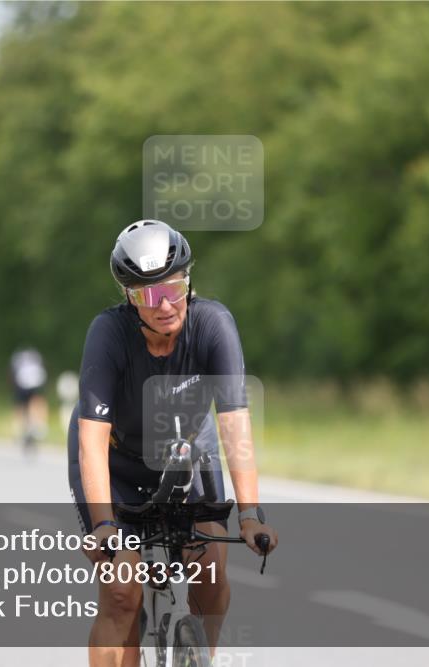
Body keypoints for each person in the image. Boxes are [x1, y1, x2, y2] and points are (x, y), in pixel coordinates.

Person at [68, 220, 279, 666]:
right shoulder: (108, 335)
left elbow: (234, 425)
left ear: (189, 280)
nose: (165, 304)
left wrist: (250, 514)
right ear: (129, 296)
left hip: (186, 454)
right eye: (149, 295)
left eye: (174, 288)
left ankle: (202, 655)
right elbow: (91, 439)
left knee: (210, 566)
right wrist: (104, 526)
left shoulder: (213, 325)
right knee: (123, 594)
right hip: (116, 460)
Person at [10, 347, 48, 453]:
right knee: (37, 401)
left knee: (21, 405)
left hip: (23, 382)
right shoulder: (35, 358)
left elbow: (12, 373)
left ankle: (22, 428)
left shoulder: (18, 358)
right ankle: (39, 425)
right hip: (35, 381)